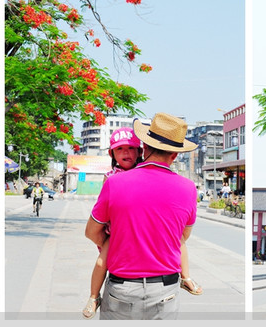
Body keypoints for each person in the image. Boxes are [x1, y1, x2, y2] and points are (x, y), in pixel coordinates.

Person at [85, 113, 198, 320]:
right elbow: (182, 237)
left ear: (143, 148)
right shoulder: (189, 188)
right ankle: (187, 278)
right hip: (166, 291)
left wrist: (115, 243)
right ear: (174, 155)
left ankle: (93, 297)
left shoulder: (114, 183)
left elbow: (91, 232)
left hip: (122, 290)